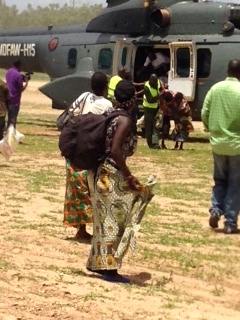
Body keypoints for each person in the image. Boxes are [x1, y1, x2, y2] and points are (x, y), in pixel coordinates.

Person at [86, 80, 155, 283]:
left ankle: (98, 264)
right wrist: (129, 176)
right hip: (111, 175)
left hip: (99, 172)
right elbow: (116, 150)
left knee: (103, 222)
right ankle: (109, 269)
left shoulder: (110, 115)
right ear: (133, 100)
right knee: (115, 222)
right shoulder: (124, 120)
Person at [63, 72, 113, 240]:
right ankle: (98, 229)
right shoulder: (107, 105)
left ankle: (81, 229)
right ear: (106, 87)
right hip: (92, 151)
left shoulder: (84, 96)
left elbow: (70, 111)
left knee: (77, 191)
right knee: (97, 191)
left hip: (75, 147)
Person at [201, 59, 240, 234]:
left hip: (218, 144)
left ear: (227, 70)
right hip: (237, 145)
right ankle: (230, 222)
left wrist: (210, 128)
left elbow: (204, 112)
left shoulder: (215, 88)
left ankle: (216, 210)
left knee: (220, 180)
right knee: (235, 183)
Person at [5, 59, 29, 128]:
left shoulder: (8, 72)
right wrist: (26, 83)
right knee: (13, 118)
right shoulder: (18, 75)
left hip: (7, 97)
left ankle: (8, 130)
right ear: (19, 65)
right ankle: (10, 133)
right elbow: (20, 89)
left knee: (9, 116)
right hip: (15, 99)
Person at [143, 74, 163, 149]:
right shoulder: (146, 87)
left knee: (156, 126)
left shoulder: (157, 82)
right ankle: (150, 144)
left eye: (156, 82)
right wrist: (159, 96)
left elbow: (160, 88)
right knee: (149, 127)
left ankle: (155, 143)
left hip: (156, 108)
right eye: (153, 82)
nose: (155, 84)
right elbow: (150, 100)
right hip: (148, 109)